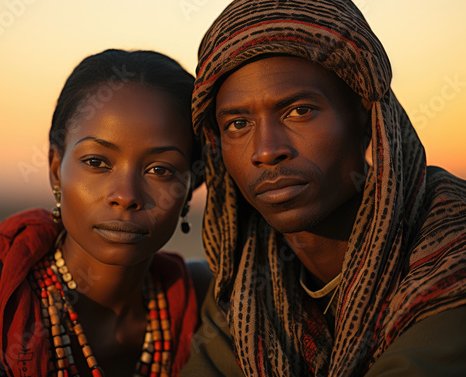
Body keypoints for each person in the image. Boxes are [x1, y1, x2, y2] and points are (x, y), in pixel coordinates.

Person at [180, 0, 466, 376]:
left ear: (366, 115)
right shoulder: (246, 278)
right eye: (238, 124)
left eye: (299, 111)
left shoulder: (449, 253)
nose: (266, 151)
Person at [0, 49, 207, 377]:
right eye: (96, 162)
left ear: (191, 185)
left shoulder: (202, 298)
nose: (126, 196)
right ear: (55, 170)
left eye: (160, 169)